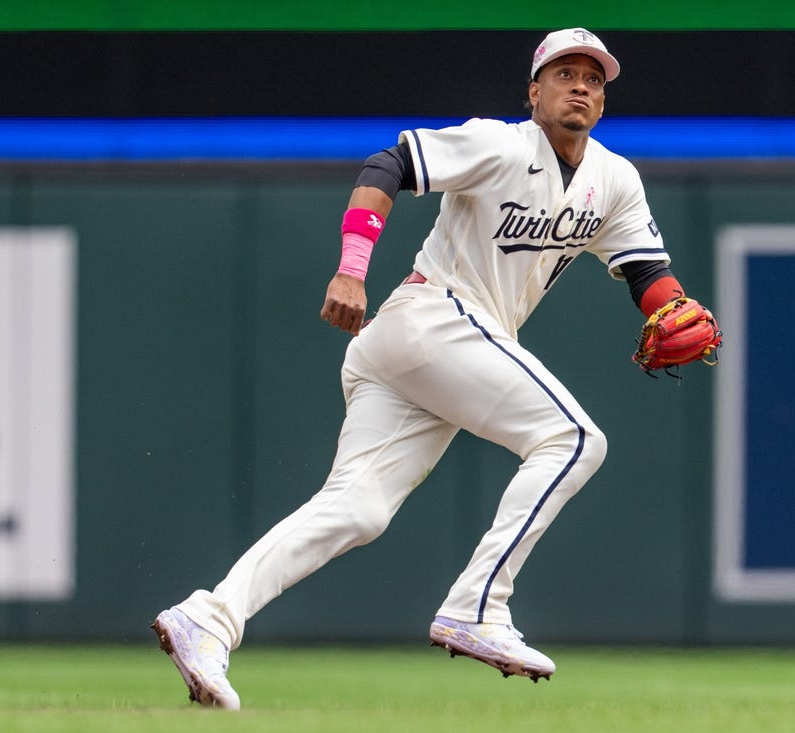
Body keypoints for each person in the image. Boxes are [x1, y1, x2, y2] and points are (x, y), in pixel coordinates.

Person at [152, 27, 711, 710]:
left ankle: (209, 616)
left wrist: (674, 307)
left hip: (430, 350)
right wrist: (351, 269)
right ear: (534, 92)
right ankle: (480, 604)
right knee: (573, 439)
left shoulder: (613, 179)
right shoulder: (499, 143)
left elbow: (646, 272)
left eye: (594, 79)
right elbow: (387, 165)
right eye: (565, 74)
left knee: (355, 508)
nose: (581, 87)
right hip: (433, 317)